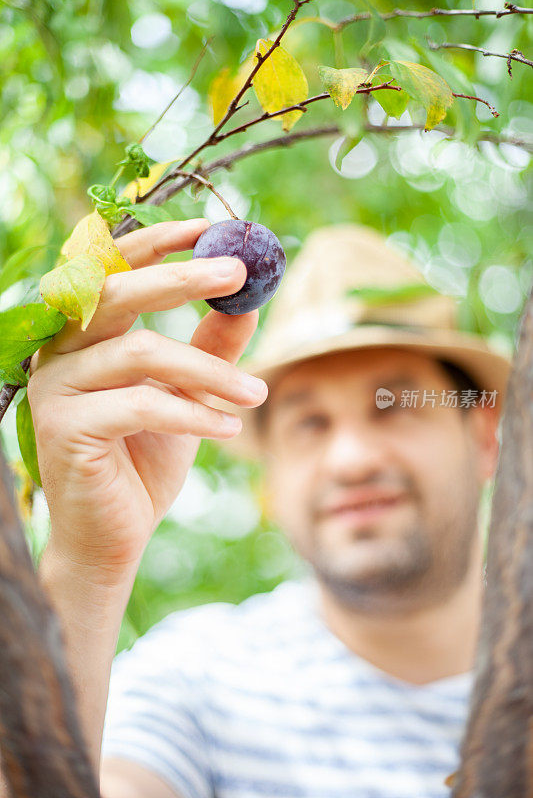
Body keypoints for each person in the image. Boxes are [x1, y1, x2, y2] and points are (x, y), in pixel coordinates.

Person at [24, 219, 510, 798]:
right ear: (271, 475)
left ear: (484, 439)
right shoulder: (196, 685)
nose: (351, 459)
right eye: (309, 422)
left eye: (393, 406)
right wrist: (87, 565)